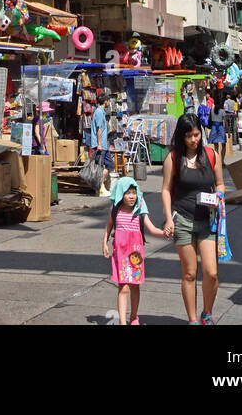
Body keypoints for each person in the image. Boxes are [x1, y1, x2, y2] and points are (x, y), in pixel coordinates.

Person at [161, 113, 225, 325]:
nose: (193, 140)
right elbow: (166, 190)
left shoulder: (211, 154)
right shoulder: (173, 158)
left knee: (212, 272)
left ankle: (207, 312)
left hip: (208, 221)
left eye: (196, 134)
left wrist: (219, 196)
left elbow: (220, 184)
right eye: (188, 136)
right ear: (182, 136)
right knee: (189, 273)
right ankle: (193, 319)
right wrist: (169, 219)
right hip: (183, 221)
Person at [103, 176, 164, 325]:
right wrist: (104, 243)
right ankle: (123, 322)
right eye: (127, 192)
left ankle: (134, 317)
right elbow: (108, 226)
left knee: (135, 287)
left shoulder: (140, 211)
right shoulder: (115, 210)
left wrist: (164, 233)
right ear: (120, 194)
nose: (131, 196)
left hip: (135, 255)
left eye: (134, 192)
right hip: (120, 254)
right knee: (123, 288)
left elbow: (152, 229)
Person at [90, 93, 111, 198]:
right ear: (105, 101)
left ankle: (101, 186)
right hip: (100, 145)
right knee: (100, 166)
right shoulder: (98, 112)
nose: (110, 102)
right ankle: (100, 188)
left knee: (109, 165)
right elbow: (98, 129)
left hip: (104, 144)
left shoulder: (102, 112)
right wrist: (99, 144)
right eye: (109, 100)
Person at [208, 95, 228, 163]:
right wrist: (227, 131)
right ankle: (222, 161)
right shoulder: (222, 111)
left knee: (216, 147)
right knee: (223, 145)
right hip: (220, 128)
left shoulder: (211, 110)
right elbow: (225, 121)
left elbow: (208, 119)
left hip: (214, 127)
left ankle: (216, 161)